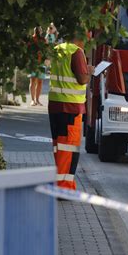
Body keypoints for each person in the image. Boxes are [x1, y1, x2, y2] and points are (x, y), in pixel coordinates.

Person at [48, 37, 94, 190]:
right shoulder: (76, 52)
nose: (89, 37)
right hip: (71, 108)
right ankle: (64, 187)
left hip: (55, 105)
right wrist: (90, 72)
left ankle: (59, 184)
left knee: (59, 148)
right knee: (69, 149)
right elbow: (82, 79)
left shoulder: (57, 49)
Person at [29, 26, 46, 106]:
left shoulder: (43, 40)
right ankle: (32, 100)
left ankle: (37, 100)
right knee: (33, 81)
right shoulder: (32, 39)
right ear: (34, 30)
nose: (38, 30)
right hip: (33, 62)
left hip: (42, 63)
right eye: (37, 29)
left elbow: (46, 51)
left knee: (40, 81)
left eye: (39, 29)